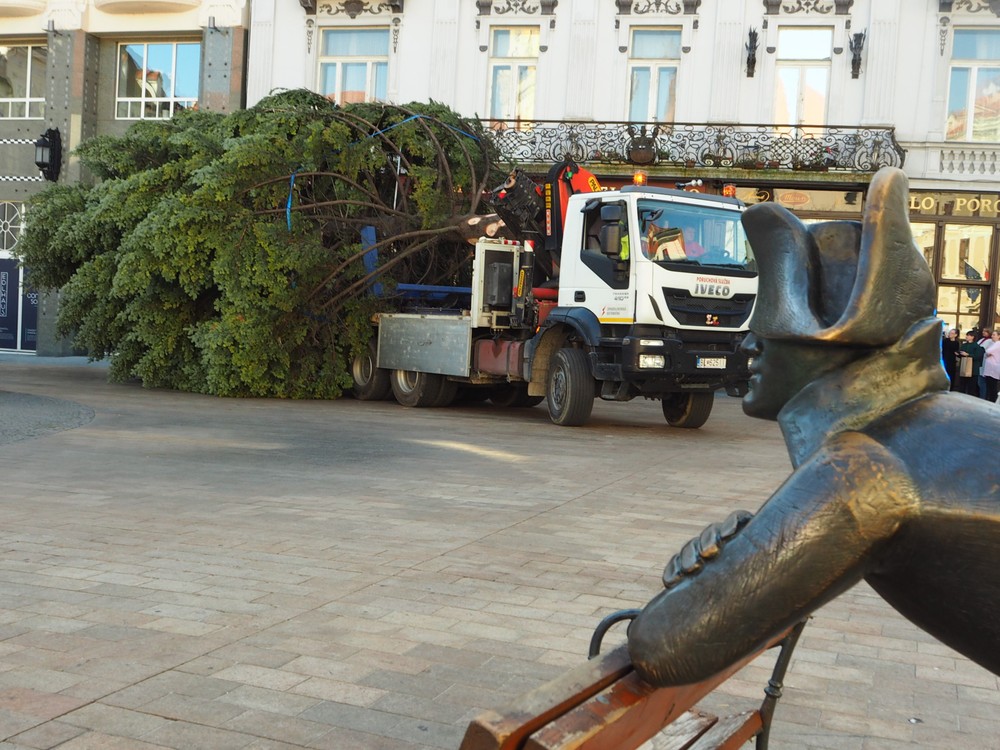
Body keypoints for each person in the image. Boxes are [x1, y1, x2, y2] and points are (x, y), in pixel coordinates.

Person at [627, 167, 1000, 688]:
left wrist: (713, 576)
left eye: (770, 333)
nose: (750, 345)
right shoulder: (949, 418)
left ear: (828, 346)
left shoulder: (862, 470)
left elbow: (662, 645)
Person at [957, 330, 984, 397]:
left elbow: (978, 356)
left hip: (973, 369)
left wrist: (968, 354)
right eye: (966, 335)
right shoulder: (964, 345)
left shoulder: (977, 346)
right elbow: (961, 353)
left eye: (968, 335)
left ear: (972, 337)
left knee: (971, 387)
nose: (966, 336)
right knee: (962, 385)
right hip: (964, 367)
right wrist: (959, 354)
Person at [983, 330, 1000, 402]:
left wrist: (988, 353)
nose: (992, 336)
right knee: (990, 387)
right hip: (990, 368)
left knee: (992, 388)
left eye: (994, 335)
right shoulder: (994, 344)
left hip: (993, 368)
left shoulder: (998, 344)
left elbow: (987, 351)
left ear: (999, 336)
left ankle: (992, 402)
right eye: (992, 335)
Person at [976, 327, 993, 398]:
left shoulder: (990, 341)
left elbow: (981, 349)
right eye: (983, 331)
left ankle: (983, 397)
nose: (983, 332)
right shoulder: (982, 339)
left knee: (982, 382)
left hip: (984, 362)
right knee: (979, 382)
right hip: (979, 362)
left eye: (985, 331)